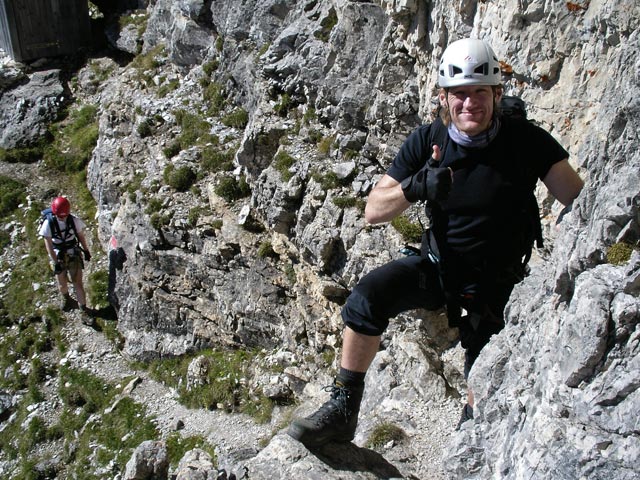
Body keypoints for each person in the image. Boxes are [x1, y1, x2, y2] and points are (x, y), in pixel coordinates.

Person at [288, 38, 584, 447]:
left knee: (482, 370)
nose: (469, 104)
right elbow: (374, 210)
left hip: (499, 282)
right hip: (439, 267)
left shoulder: (526, 140)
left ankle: (471, 432)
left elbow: (581, 200)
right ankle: (343, 409)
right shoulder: (428, 141)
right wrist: (416, 186)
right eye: (459, 94)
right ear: (443, 97)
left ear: (496, 94)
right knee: (367, 297)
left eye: (480, 92)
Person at [39, 196, 94, 325]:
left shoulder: (73, 220)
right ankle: (66, 298)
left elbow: (81, 236)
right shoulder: (48, 223)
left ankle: (83, 311)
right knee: (62, 283)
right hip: (58, 255)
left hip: (72, 253)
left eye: (64, 216)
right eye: (60, 216)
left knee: (78, 284)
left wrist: (86, 250)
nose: (62, 218)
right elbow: (49, 246)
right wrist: (56, 263)